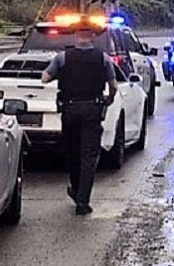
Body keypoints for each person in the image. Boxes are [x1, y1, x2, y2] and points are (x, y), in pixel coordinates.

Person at [41, 15, 119, 216]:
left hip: (70, 109)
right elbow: (113, 86)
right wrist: (108, 100)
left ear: (76, 35)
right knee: (89, 157)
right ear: (92, 35)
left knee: (73, 152)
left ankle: (75, 189)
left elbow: (45, 78)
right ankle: (82, 201)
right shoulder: (103, 58)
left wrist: (63, 73)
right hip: (92, 110)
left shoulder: (63, 57)